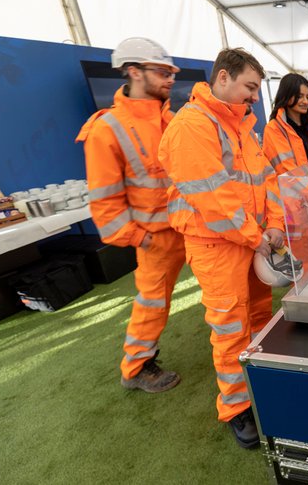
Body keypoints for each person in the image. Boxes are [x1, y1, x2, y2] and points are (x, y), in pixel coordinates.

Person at [158, 48, 286, 450]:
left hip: (252, 240)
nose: (254, 97)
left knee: (261, 317)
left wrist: (277, 224)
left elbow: (267, 180)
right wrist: (258, 237)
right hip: (217, 245)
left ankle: (261, 384)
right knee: (231, 328)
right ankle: (236, 408)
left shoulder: (239, 126)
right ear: (223, 77)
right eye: (250, 87)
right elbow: (214, 199)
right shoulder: (192, 126)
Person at [75, 37, 186, 394]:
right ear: (134, 71)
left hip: (192, 225)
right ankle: (136, 367)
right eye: (163, 71)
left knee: (226, 289)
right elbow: (104, 202)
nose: (170, 78)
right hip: (156, 238)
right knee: (152, 303)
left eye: (171, 71)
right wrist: (140, 238)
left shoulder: (169, 118)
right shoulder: (107, 128)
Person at [262, 73, 308, 270]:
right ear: (287, 95)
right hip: (296, 211)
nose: (305, 100)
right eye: (299, 96)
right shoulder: (274, 130)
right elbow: (291, 173)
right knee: (307, 266)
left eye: (307, 96)